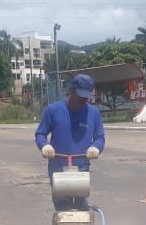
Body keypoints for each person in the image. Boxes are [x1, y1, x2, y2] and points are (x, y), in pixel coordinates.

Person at [34, 73, 105, 211]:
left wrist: (96, 147)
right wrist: (45, 145)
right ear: (71, 90)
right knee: (62, 210)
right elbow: (40, 134)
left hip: (82, 167)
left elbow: (99, 137)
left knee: (82, 209)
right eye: (80, 95)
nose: (84, 99)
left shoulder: (94, 113)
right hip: (58, 168)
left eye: (86, 96)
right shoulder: (53, 110)